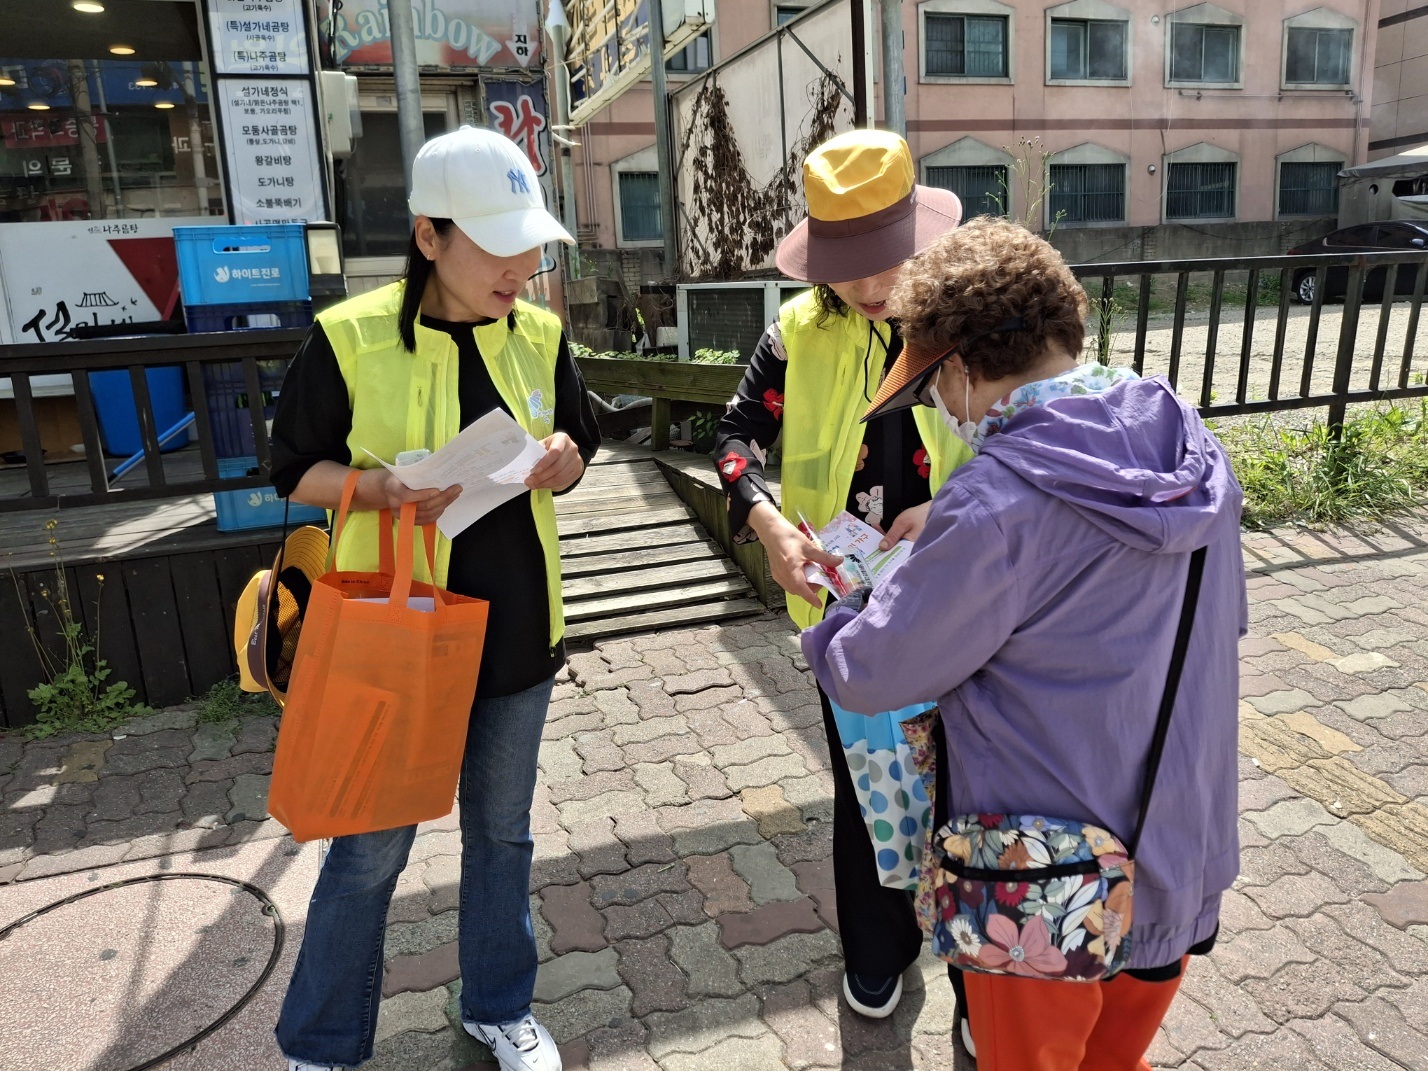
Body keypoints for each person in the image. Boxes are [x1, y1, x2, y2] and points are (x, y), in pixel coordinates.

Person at [801, 217, 1245, 1071]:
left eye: (932, 383)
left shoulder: (996, 498)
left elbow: (872, 672)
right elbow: (1219, 622)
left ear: (964, 367)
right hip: (1178, 849)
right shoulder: (1190, 448)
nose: (935, 404)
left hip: (1045, 877)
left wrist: (842, 607)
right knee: (1114, 1061)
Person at [267, 126, 600, 1071]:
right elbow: (292, 468)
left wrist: (568, 465)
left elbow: (576, 443)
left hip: (517, 630)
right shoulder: (350, 334)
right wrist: (379, 490)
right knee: (369, 849)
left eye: (529, 244)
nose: (523, 267)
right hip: (394, 636)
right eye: (497, 246)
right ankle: (322, 1042)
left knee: (504, 835)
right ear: (428, 237)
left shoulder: (538, 331)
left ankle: (500, 1006)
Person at [712, 128, 971, 1024]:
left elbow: (1023, 440)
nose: (871, 284)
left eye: (885, 259)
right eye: (850, 265)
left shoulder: (964, 319)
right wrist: (768, 521)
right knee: (867, 780)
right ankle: (877, 947)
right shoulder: (794, 336)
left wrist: (948, 511)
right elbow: (736, 441)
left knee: (975, 779)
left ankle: (984, 967)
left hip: (965, 585)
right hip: (847, 598)